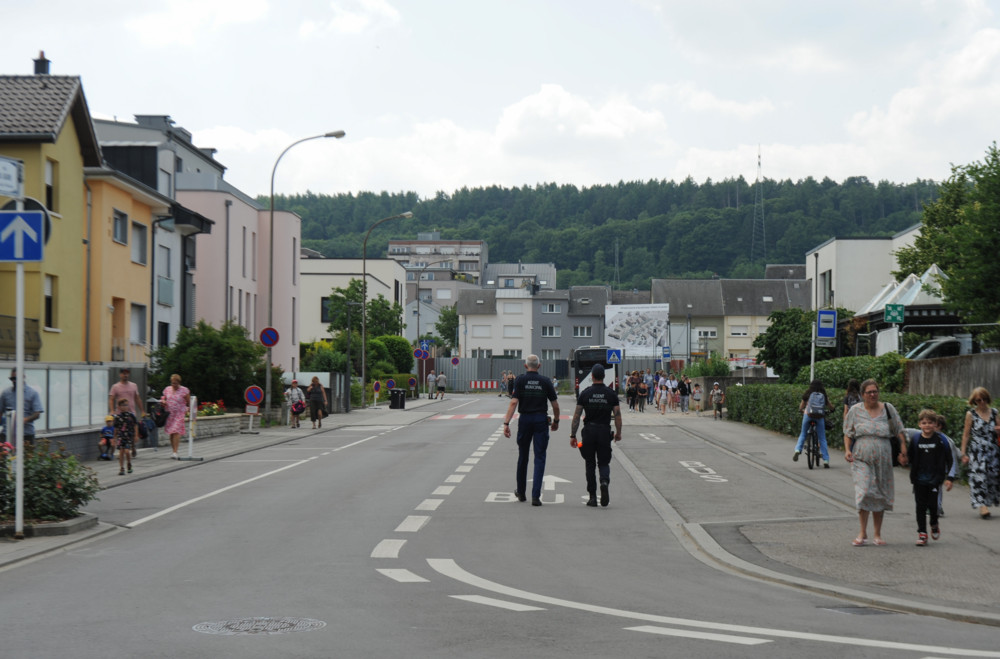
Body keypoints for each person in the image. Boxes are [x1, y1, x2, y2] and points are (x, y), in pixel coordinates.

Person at [844, 379, 907, 546]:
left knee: (879, 493)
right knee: (864, 491)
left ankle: (877, 534)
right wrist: (847, 449)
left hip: (883, 459)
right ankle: (862, 532)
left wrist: (903, 450)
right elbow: (848, 432)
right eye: (869, 392)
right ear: (862, 394)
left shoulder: (888, 408)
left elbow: (899, 430)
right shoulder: (855, 410)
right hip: (861, 457)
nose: (873, 394)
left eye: (875, 391)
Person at [503, 354, 560, 506]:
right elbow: (555, 405)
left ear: (525, 366)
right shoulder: (546, 381)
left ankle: (521, 493)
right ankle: (536, 496)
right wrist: (556, 421)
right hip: (541, 420)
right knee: (539, 457)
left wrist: (506, 423)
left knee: (523, 456)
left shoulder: (520, 380)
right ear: (539, 366)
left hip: (525, 420)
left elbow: (513, 403)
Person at [569, 364, 622, 507]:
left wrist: (573, 435)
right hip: (604, 431)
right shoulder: (611, 394)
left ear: (591, 376)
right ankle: (604, 482)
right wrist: (618, 433)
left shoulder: (585, 393)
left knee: (590, 463)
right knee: (603, 462)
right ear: (604, 376)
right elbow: (617, 415)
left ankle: (592, 497)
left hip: (589, 432)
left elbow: (577, 416)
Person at [908, 409, 954, 545]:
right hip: (919, 479)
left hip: (935, 479)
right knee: (920, 507)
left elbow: (949, 459)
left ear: (935, 424)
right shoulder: (916, 439)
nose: (927, 425)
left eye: (930, 423)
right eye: (924, 423)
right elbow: (910, 457)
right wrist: (904, 460)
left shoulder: (941, 440)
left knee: (933, 506)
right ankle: (922, 533)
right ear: (919, 424)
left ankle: (934, 523)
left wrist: (949, 478)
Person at [959, 387, 1000, 519]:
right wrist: (963, 453)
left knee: (992, 477)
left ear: (987, 399)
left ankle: (987, 501)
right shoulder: (971, 414)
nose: (982, 402)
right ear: (974, 401)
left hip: (993, 450)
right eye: (978, 400)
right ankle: (982, 506)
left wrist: (998, 430)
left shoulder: (994, 412)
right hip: (977, 451)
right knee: (979, 477)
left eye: (984, 399)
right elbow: (966, 435)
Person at [793, 379, 833, 467]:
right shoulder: (823, 394)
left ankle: (798, 450)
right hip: (819, 417)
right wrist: (832, 409)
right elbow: (830, 405)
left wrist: (801, 410)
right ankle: (826, 460)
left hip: (808, 415)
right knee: (822, 438)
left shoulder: (808, 393)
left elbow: (801, 406)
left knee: (803, 434)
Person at [0, 368, 45, 446]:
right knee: (5, 454)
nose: (14, 381)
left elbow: (37, 413)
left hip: (26, 434)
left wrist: (25, 420)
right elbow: (0, 411)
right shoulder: (5, 393)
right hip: (7, 434)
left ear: (23, 377)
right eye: (12, 379)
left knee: (26, 454)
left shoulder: (32, 393)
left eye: (16, 378)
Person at [161, 373, 191, 459]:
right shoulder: (167, 389)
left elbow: (189, 402)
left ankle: (175, 452)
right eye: (172, 383)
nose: (174, 385)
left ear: (179, 383)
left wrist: (190, 413)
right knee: (171, 432)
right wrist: (163, 401)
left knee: (176, 430)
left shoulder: (184, 390)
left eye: (176, 383)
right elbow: (163, 397)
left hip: (179, 413)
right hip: (170, 413)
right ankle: (173, 450)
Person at [113, 397, 139, 475]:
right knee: (121, 452)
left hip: (128, 436)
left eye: (126, 405)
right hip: (121, 436)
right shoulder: (118, 417)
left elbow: (135, 425)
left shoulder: (131, 416)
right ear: (119, 407)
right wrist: (114, 438)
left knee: (127, 451)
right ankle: (121, 468)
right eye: (122, 405)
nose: (124, 407)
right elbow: (116, 428)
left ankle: (129, 463)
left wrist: (136, 435)